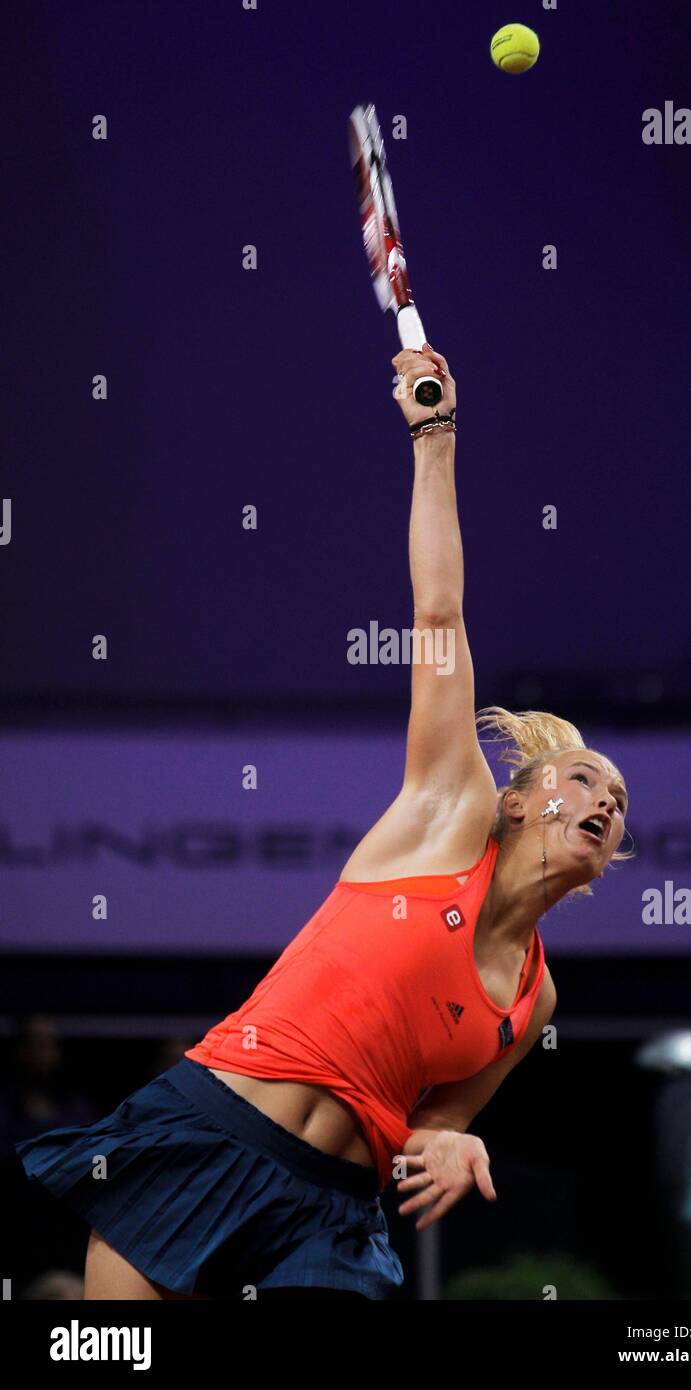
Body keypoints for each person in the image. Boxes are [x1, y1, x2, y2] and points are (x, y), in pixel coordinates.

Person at [15, 343, 632, 1300]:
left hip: (330, 1214)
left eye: (617, 803)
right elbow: (439, 610)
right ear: (516, 800)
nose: (602, 800)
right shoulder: (447, 815)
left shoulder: (532, 1002)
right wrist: (434, 437)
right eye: (585, 778)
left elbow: (432, 1124)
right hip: (208, 1134)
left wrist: (453, 1143)